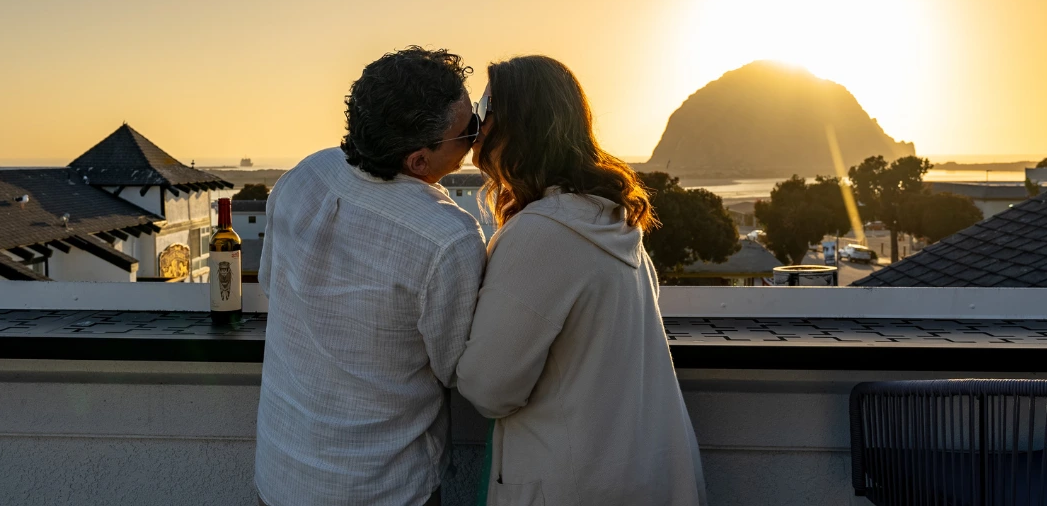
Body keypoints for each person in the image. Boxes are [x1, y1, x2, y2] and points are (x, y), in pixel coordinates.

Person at [456, 56, 708, 506]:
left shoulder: (543, 234)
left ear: (518, 124)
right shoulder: (612, 219)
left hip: (572, 483)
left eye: (485, 107)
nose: (476, 122)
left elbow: (489, 387)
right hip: (647, 473)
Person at [254, 47, 487, 506]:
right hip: (380, 488)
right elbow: (457, 367)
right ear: (419, 161)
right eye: (469, 131)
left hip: (282, 475)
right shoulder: (447, 237)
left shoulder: (305, 175)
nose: (479, 139)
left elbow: (272, 284)